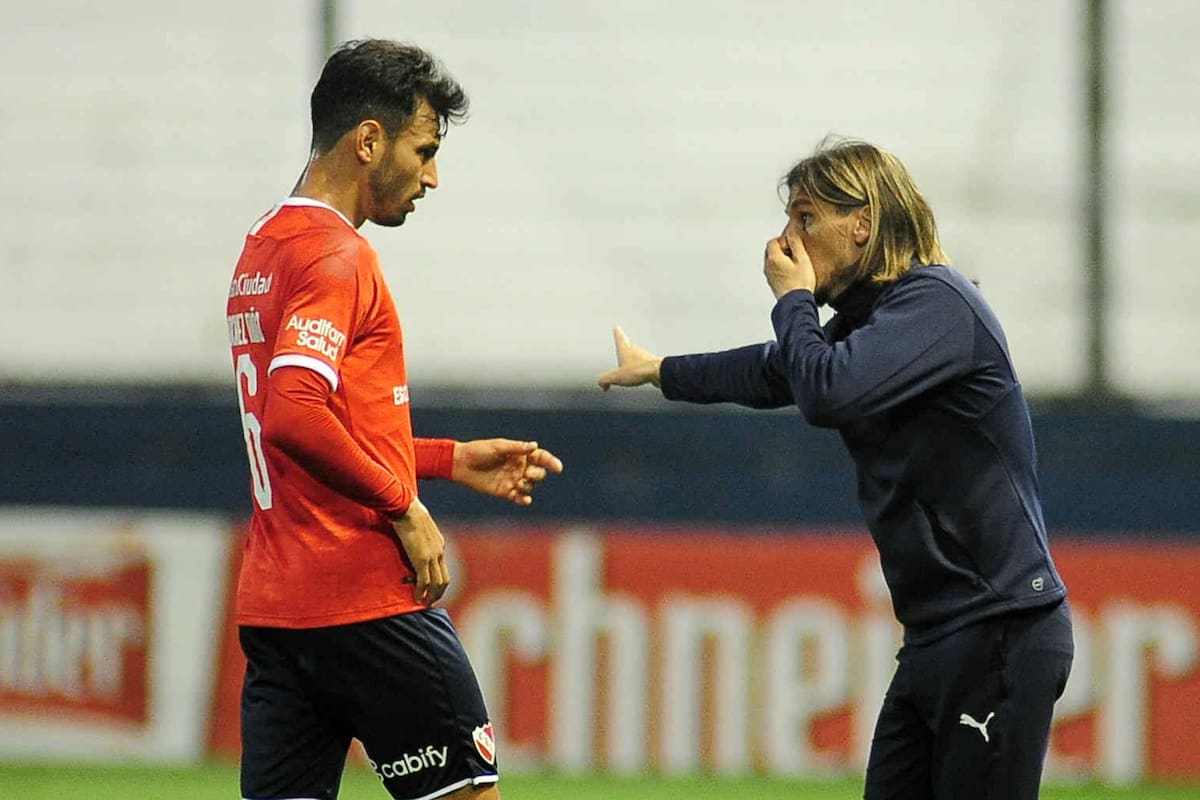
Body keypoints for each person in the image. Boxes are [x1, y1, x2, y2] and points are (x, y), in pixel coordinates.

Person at [597, 138, 1073, 799]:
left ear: (863, 225)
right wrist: (662, 371)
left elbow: (825, 390)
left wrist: (792, 300)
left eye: (805, 217)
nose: (785, 241)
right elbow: (774, 370)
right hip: (939, 636)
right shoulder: (873, 324)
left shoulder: (936, 303)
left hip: (999, 631)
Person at [225, 39, 562, 800]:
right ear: (369, 140)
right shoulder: (337, 256)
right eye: (425, 148)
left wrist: (443, 459)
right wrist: (406, 506)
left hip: (280, 616)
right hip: (365, 603)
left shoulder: (263, 249)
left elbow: (321, 425)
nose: (433, 176)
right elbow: (295, 416)